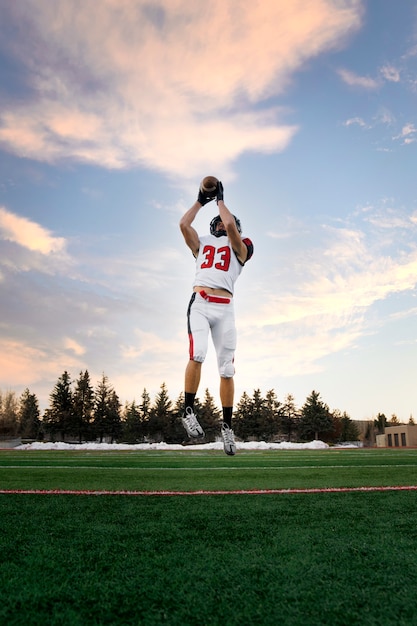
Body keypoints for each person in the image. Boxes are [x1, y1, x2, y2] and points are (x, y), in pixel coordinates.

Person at [179, 179, 254, 455]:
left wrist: (220, 200)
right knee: (197, 353)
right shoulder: (203, 244)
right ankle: (188, 410)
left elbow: (232, 226)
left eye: (226, 221)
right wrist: (201, 200)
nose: (224, 224)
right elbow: (184, 225)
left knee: (226, 369)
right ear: (213, 225)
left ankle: (227, 428)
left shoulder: (241, 246)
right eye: (220, 221)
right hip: (200, 302)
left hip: (225, 307)